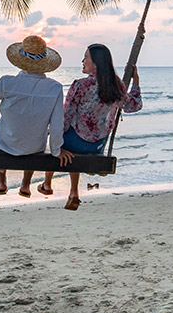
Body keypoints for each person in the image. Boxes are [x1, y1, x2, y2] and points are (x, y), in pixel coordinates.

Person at [40, 44, 142, 211]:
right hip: (97, 146)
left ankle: (47, 183)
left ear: (95, 63)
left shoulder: (80, 85)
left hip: (74, 143)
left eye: (85, 57)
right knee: (73, 138)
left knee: (60, 138)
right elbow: (134, 105)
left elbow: (66, 119)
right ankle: (73, 193)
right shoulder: (115, 85)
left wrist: (53, 138)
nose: (82, 61)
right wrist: (135, 83)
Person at [0, 35, 68, 197]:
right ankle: (26, 185)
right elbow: (56, 125)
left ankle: (1, 180)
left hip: (7, 144)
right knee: (35, 131)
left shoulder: (7, 83)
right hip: (35, 147)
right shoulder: (55, 88)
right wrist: (56, 151)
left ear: (20, 60)